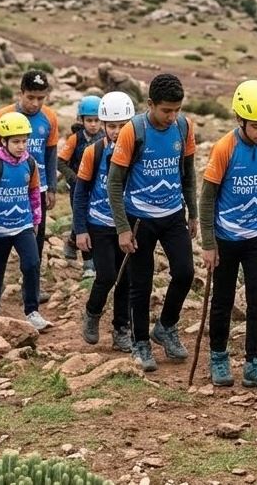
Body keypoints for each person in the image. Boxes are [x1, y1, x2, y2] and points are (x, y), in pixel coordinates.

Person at [107, 74, 198, 372]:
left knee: (185, 273)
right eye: (166, 111)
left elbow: (188, 173)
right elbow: (114, 182)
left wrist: (193, 213)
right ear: (150, 105)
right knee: (141, 283)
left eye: (177, 110)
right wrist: (122, 227)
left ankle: (166, 326)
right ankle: (140, 342)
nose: (172, 117)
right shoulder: (134, 131)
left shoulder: (183, 128)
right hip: (139, 219)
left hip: (173, 214)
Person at [199, 80, 257, 389]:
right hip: (226, 237)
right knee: (222, 300)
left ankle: (254, 365)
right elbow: (207, 197)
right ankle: (219, 358)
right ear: (240, 120)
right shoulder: (225, 148)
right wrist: (208, 242)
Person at [0, 70, 59, 302]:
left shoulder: (50, 118)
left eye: (40, 98)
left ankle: (31, 289)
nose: (35, 103)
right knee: (0, 244)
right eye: (31, 97)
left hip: (37, 188)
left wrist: (52, 187)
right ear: (21, 92)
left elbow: (51, 152)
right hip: (4, 189)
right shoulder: (3, 116)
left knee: (36, 239)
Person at [0, 112, 51, 331]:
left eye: (24, 141)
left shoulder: (30, 163)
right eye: (16, 142)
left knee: (32, 263)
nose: (21, 146)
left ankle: (32, 311)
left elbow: (35, 193)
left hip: (24, 224)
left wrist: (36, 218)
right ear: (3, 141)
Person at [74, 91, 135, 352]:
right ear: (103, 125)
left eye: (123, 126)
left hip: (129, 225)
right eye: (112, 126)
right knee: (107, 275)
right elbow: (80, 193)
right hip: (99, 223)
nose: (117, 131)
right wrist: (80, 230)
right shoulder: (93, 152)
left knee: (127, 278)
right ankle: (92, 313)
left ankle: (121, 329)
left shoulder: (139, 153)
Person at [60, 94, 103, 277]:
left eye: (97, 120)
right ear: (81, 120)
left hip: (97, 189)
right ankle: (88, 265)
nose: (93, 124)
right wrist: (74, 178)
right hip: (78, 189)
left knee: (91, 221)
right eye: (89, 120)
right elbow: (60, 162)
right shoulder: (75, 139)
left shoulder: (104, 138)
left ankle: (71, 241)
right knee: (82, 220)